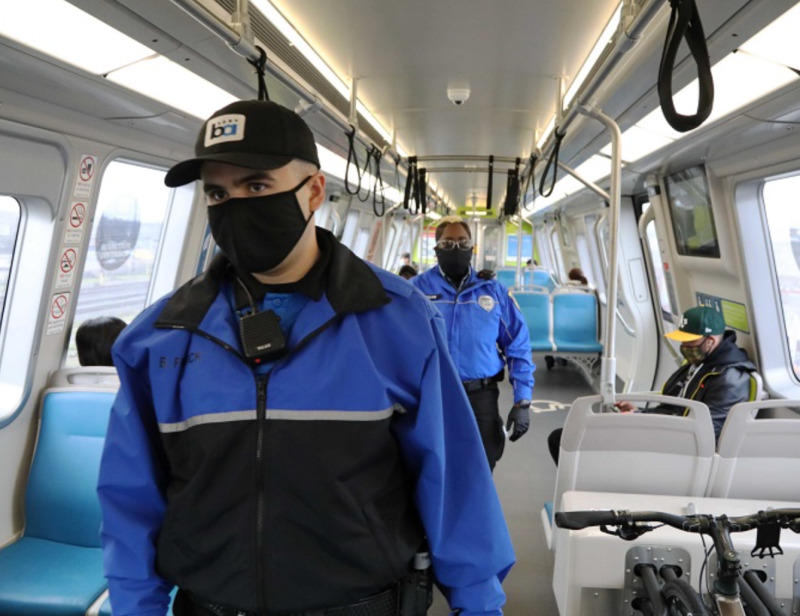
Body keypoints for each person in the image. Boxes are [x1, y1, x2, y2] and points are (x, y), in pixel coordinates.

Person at [97, 100, 514, 616]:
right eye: (217, 192)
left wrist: (477, 603)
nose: (234, 206)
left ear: (313, 192)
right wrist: (137, 608)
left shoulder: (398, 323)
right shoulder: (160, 339)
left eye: (256, 186)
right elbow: (131, 501)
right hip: (211, 605)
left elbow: (454, 481)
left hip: (360, 605)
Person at [547, 306, 758, 463]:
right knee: (567, 436)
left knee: (564, 439)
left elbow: (705, 433)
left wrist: (640, 421)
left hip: (675, 449)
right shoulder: (699, 365)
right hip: (664, 434)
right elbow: (673, 409)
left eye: (689, 342)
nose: (684, 347)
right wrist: (640, 413)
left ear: (710, 340)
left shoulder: (729, 379)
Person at [410, 216, 535, 471]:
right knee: (433, 466)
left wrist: (522, 400)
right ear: (436, 248)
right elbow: (398, 345)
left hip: (481, 394)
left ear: (472, 248)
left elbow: (517, 346)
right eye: (447, 243)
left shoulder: (493, 291)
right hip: (433, 392)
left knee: (482, 463)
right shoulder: (416, 291)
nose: (456, 248)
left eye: (462, 242)